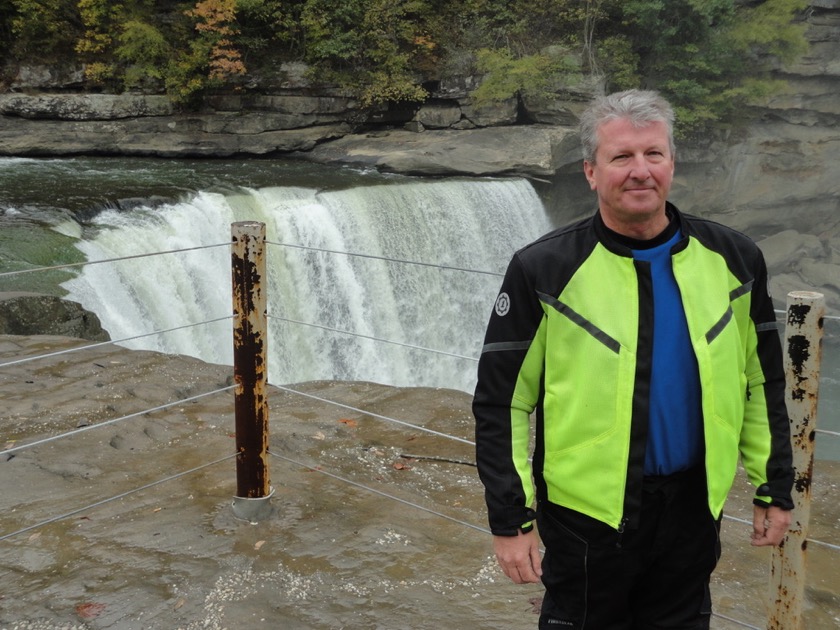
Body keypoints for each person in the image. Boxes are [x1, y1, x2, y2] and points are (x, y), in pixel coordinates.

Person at [472, 89, 794, 629]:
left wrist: (772, 486)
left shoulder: (736, 259)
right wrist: (511, 521)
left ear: (672, 164)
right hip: (585, 519)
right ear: (592, 172)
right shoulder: (544, 269)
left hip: (694, 507)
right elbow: (501, 401)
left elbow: (762, 382)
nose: (639, 171)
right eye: (621, 157)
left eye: (653, 154)